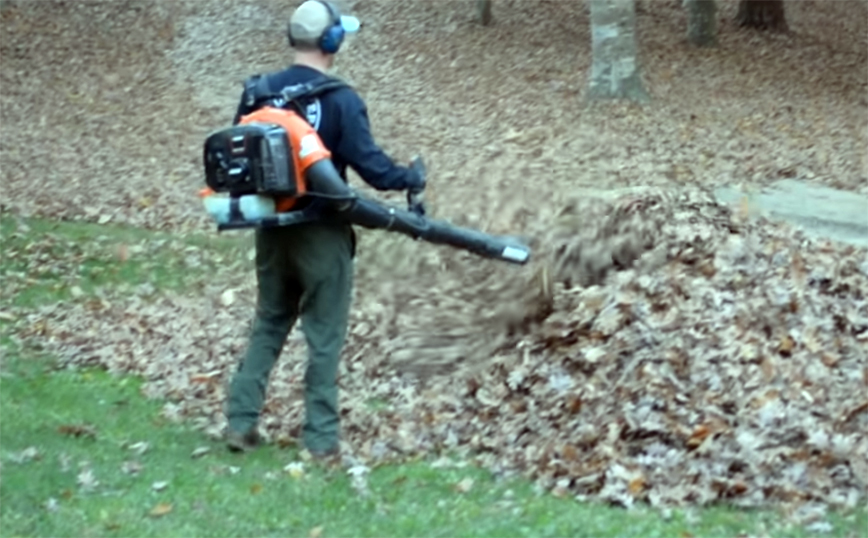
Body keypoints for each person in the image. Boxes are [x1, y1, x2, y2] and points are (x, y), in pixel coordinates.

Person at [224, 0, 425, 457]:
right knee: (324, 334)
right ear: (333, 41)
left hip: (272, 227)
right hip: (323, 230)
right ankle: (319, 437)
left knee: (270, 321)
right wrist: (410, 177)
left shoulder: (258, 92)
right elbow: (372, 169)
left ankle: (240, 422)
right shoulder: (342, 99)